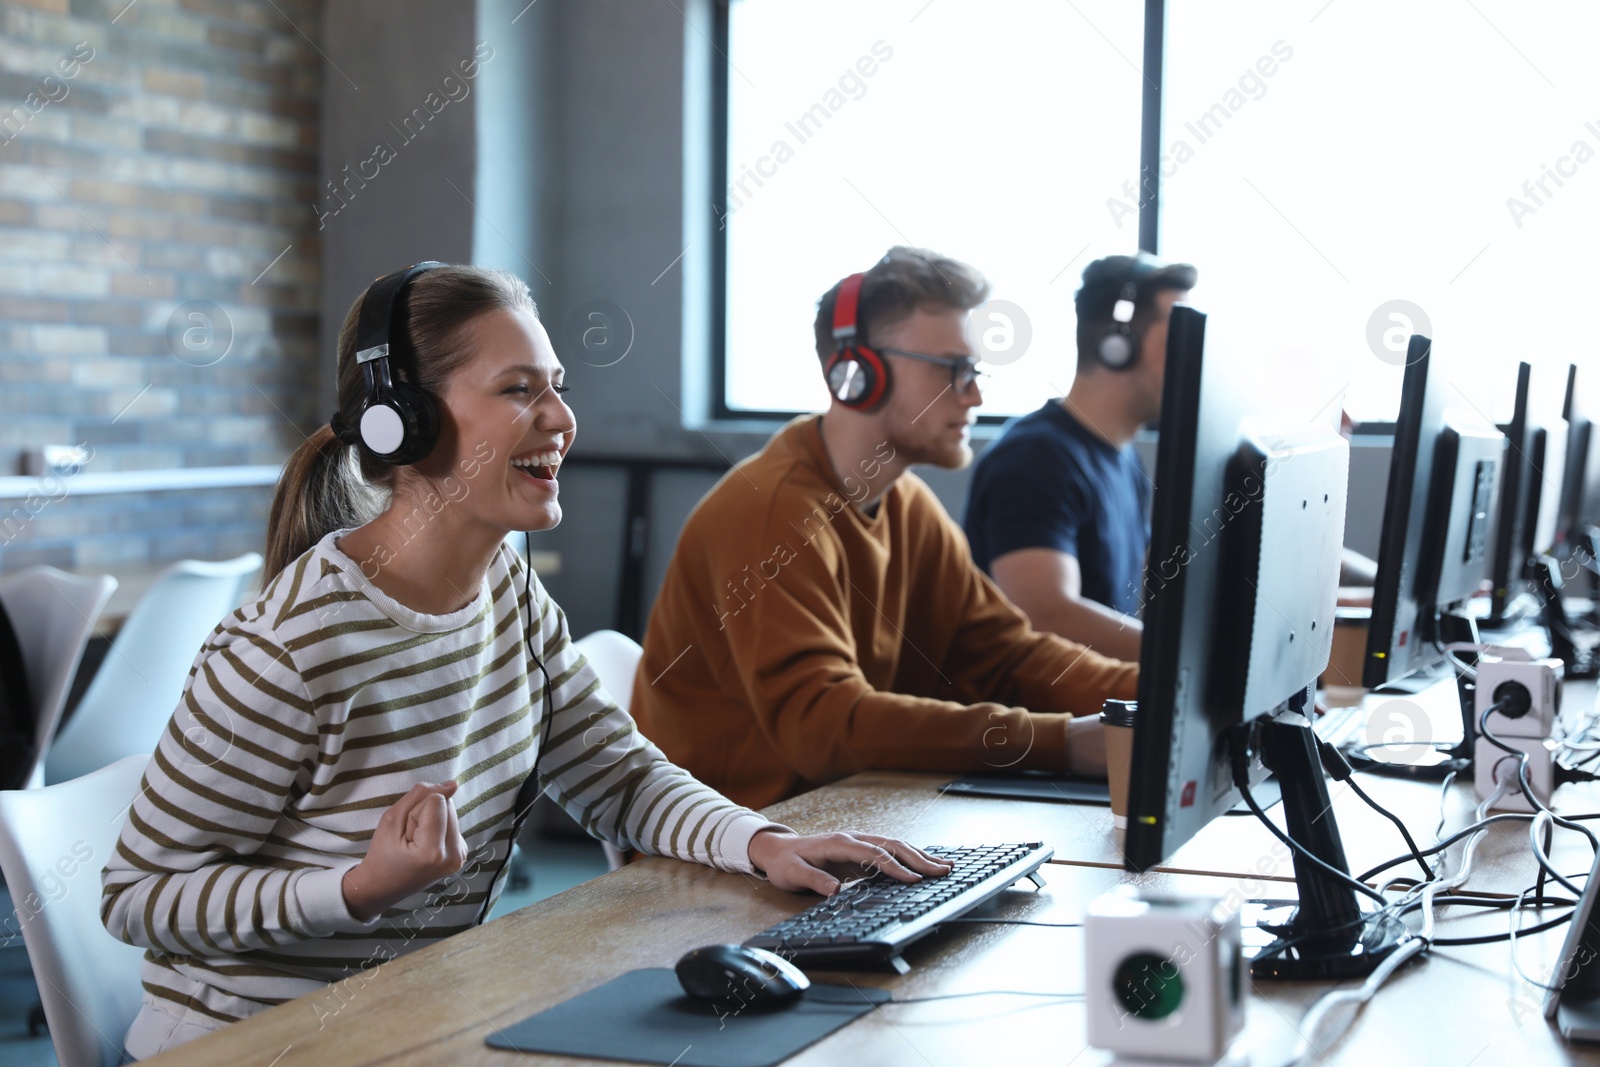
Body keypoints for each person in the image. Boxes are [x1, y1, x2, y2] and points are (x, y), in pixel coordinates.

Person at [100, 264, 947, 1060]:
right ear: (403, 419)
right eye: (517, 389)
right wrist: (355, 890)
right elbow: (135, 896)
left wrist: (760, 840)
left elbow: (613, 775)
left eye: (557, 387)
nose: (560, 419)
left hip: (408, 1014)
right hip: (257, 1043)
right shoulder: (290, 646)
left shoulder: (507, 586)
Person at [629, 247, 1138, 812]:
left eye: (974, 372)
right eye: (953, 370)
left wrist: (1159, 694)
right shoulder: (774, 514)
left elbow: (1005, 656)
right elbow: (825, 727)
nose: (975, 395)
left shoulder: (904, 503)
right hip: (727, 853)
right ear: (856, 373)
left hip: (840, 819)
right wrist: (1060, 743)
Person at [962, 253, 1196, 664]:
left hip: (1102, 706)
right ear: (1117, 344)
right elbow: (1047, 615)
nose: (1193, 358)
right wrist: (1189, 662)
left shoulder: (1126, 460)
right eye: (1178, 336)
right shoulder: (1035, 459)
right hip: (1040, 723)